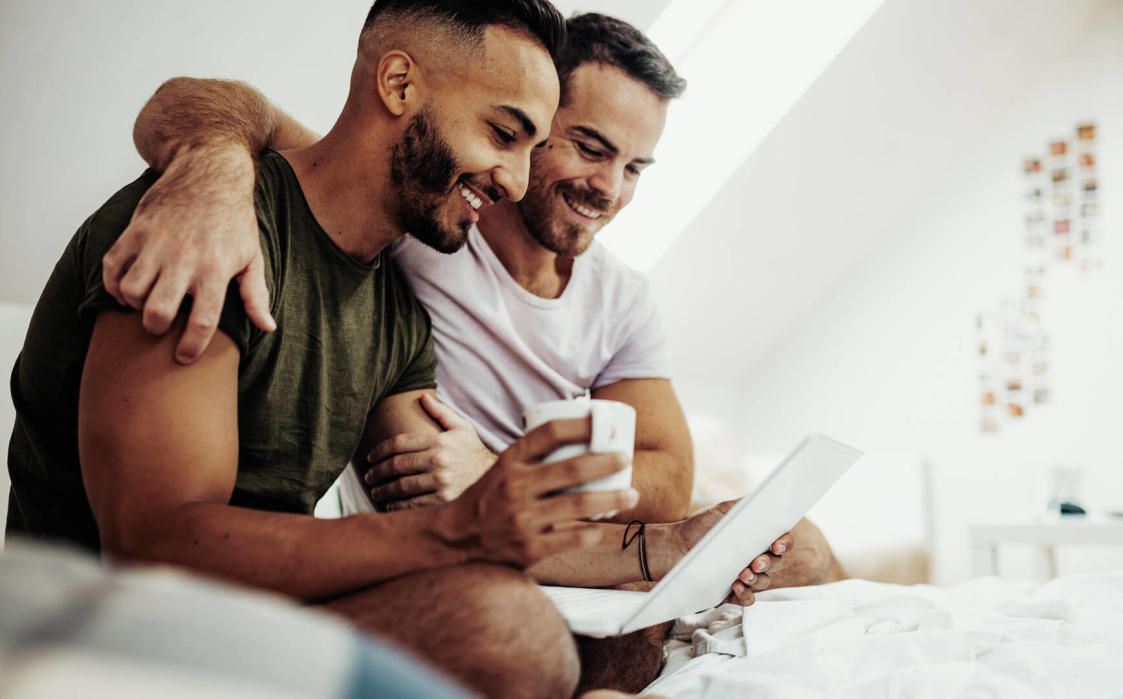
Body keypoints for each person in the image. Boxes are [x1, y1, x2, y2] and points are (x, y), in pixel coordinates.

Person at [5, 3, 784, 698]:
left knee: (576, 629)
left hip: (258, 615)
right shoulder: (207, 227)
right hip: (98, 621)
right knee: (507, 627)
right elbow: (153, 549)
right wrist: (212, 159)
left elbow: (461, 508)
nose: (516, 179)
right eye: (504, 134)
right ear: (401, 85)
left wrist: (670, 545)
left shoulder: (395, 305)